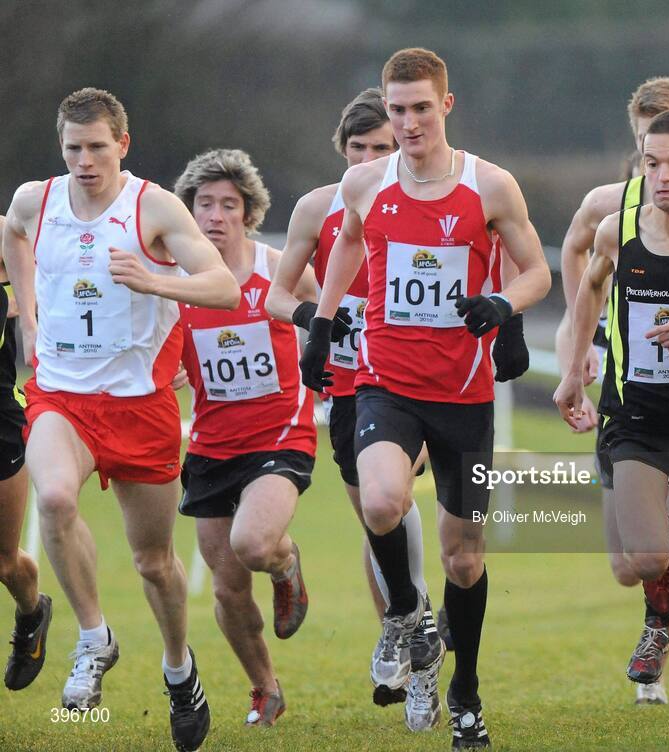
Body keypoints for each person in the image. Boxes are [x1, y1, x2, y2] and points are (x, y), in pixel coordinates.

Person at [301, 47, 551, 749]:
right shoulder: (364, 184)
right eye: (396, 110)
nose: (407, 123)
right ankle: (408, 615)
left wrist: (500, 305)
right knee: (380, 500)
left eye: (419, 108)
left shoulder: (490, 186)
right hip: (387, 380)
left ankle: (465, 689)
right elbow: (348, 246)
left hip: (464, 395)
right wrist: (321, 326)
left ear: (446, 105)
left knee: (463, 558)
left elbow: (536, 272)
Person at [2, 88, 239, 752]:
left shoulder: (152, 208)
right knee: (50, 496)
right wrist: (26, 314)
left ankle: (178, 670)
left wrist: (155, 281)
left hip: (141, 406)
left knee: (155, 562)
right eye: (73, 148)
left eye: (97, 147)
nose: (84, 161)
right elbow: (11, 233)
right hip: (63, 397)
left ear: (122, 145)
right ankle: (92, 636)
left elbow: (223, 286)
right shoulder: (35, 200)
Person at [555, 110, 669, 743]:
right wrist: (574, 369)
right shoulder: (617, 231)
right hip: (634, 419)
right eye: (651, 162)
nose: (662, 176)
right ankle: (661, 612)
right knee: (643, 558)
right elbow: (588, 294)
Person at [266, 89, 446, 730]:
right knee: (376, 520)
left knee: (398, 506)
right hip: (348, 385)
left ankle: (419, 639)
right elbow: (277, 298)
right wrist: (322, 321)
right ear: (341, 152)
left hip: (416, 378)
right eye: (359, 149)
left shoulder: (428, 198)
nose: (371, 159)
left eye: (383, 147)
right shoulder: (318, 208)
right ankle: (406, 627)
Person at [173, 148, 318, 726]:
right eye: (203, 204)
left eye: (227, 205)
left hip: (280, 435)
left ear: (248, 211)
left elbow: (333, 314)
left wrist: (325, 364)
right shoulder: (176, 281)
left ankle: (286, 566)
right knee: (228, 590)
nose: (214, 215)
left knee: (253, 543)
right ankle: (265, 688)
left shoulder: (280, 268)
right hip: (210, 443)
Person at [0, 216, 51, 693]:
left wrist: (25, 305)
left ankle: (32, 614)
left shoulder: (4, 235)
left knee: (4, 562)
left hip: (1, 425)